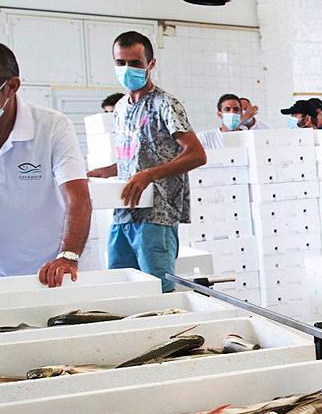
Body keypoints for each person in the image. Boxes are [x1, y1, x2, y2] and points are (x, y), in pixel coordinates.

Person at [87, 31, 206, 292]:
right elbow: (136, 156)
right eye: (121, 63)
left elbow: (197, 154)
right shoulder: (120, 107)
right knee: (120, 287)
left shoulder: (166, 104)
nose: (127, 69)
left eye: (135, 63)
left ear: (150, 65)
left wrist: (150, 175)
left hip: (157, 215)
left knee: (157, 291)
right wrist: (104, 172)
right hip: (124, 212)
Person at [0, 43, 93, 284]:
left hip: (49, 272)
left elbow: (79, 198)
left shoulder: (52, 126)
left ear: (11, 87)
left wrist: (68, 256)